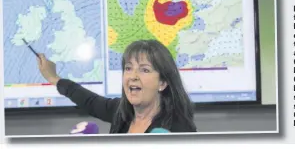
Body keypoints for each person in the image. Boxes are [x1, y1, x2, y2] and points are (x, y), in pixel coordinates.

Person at [37, 40, 197, 133]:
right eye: (128, 68)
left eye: (144, 70)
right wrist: (54, 78)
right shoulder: (121, 113)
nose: (133, 76)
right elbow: (90, 101)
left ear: (162, 83)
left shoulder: (179, 128)